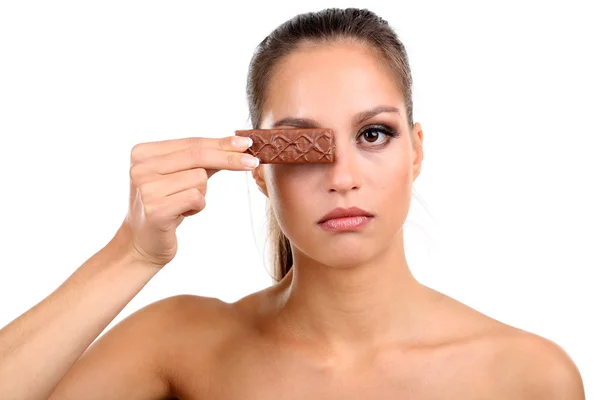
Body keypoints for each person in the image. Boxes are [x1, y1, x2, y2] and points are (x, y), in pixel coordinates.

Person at [0, 7, 585, 400]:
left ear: (416, 151)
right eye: (304, 144)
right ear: (259, 169)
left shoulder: (527, 374)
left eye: (374, 134)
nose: (342, 177)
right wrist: (130, 254)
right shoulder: (181, 343)